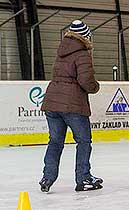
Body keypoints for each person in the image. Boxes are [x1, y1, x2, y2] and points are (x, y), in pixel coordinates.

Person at [39, 20, 103, 192]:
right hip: (73, 105)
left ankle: (47, 178)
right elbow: (85, 81)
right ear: (85, 37)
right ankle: (83, 178)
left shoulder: (61, 52)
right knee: (84, 141)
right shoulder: (82, 54)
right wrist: (95, 86)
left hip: (52, 103)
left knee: (55, 142)